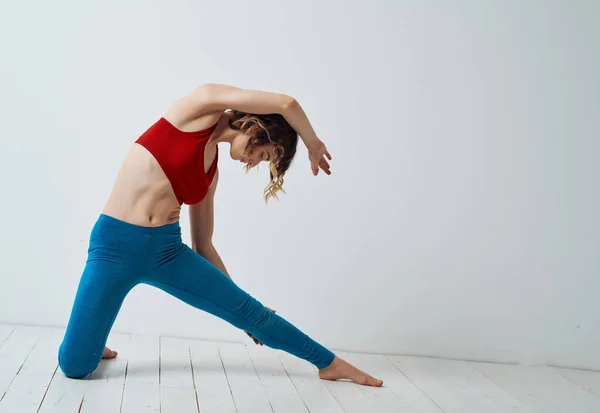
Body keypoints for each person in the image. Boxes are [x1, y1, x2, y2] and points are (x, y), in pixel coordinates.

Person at [58, 83, 383, 387]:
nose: (255, 163)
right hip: (115, 246)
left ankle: (328, 363)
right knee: (76, 366)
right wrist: (313, 143)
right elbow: (288, 103)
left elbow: (203, 245)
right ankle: (93, 336)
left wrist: (241, 309)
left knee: (253, 313)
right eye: (266, 155)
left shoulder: (210, 173)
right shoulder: (201, 105)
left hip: (167, 253)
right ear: (259, 128)